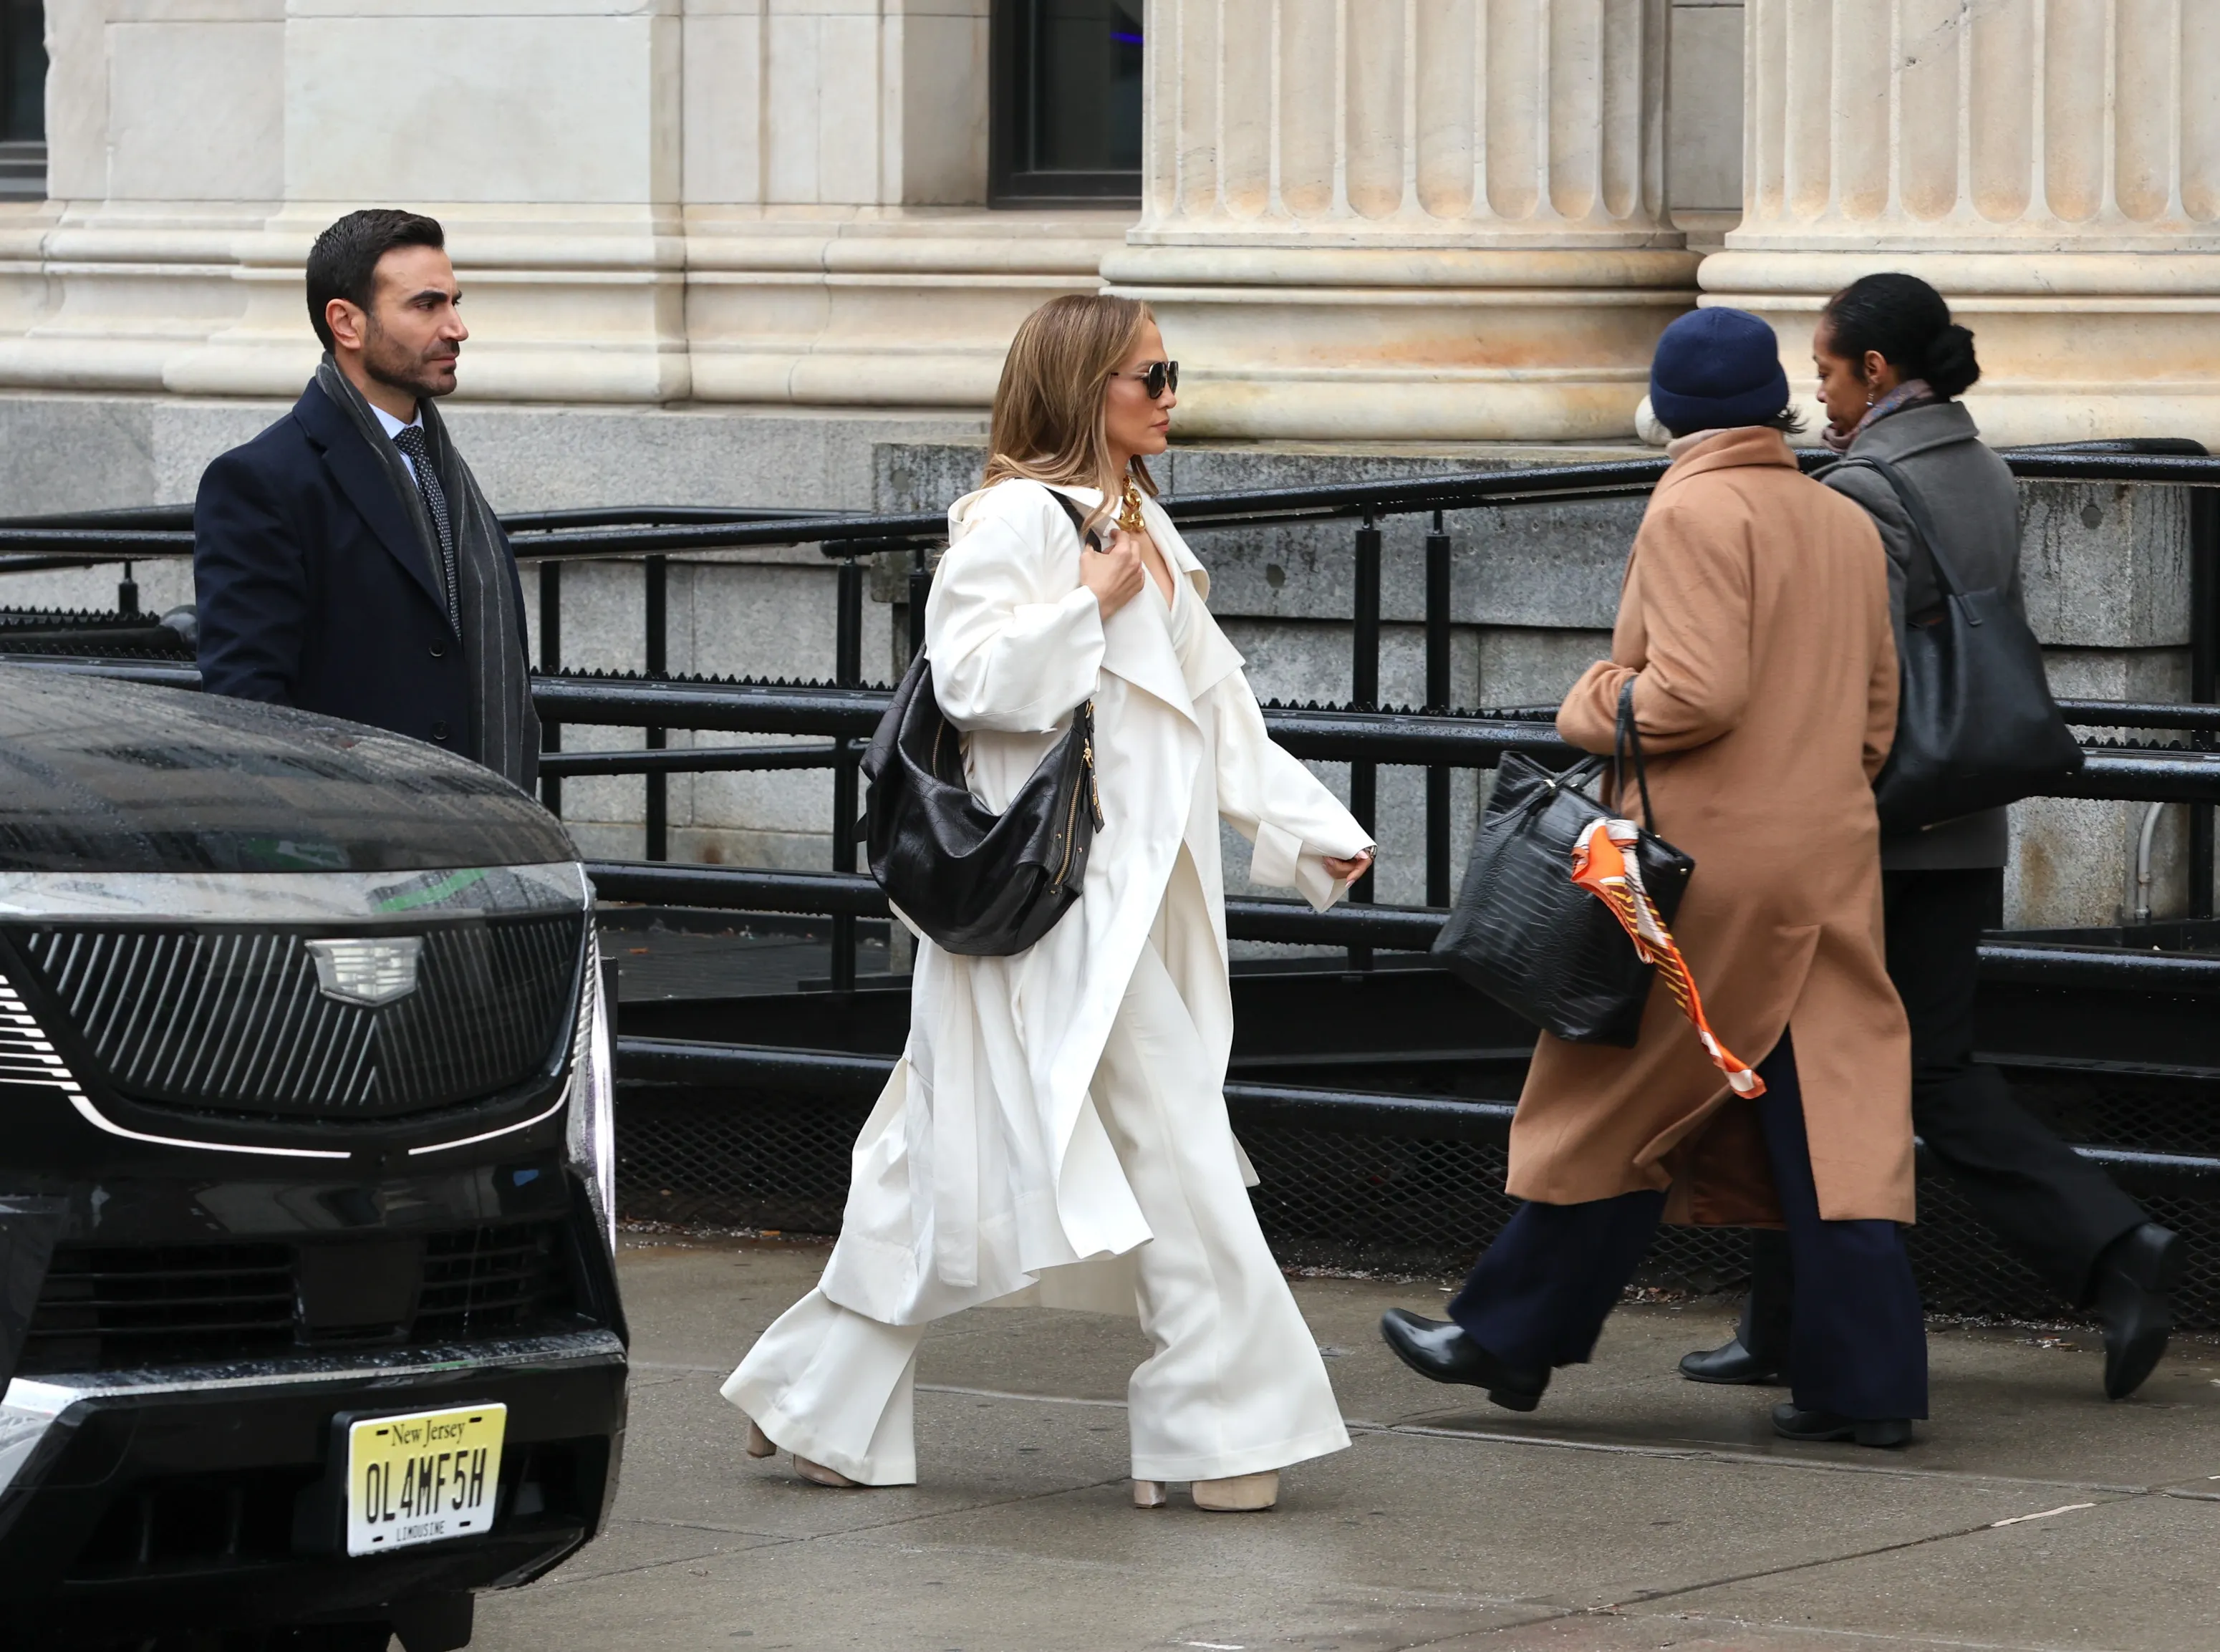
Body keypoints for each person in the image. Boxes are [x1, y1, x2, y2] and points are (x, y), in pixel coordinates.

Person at [723, 294, 1376, 1511]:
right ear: (1085, 388)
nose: (1171, 395)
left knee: (941, 1154)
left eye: (1171, 373)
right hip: (1055, 899)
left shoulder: (1143, 523)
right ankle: (1222, 1430)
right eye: (1149, 375)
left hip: (1113, 901)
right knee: (1174, 1145)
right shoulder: (1021, 517)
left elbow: (1214, 709)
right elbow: (970, 679)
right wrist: (1089, 604)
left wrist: (1307, 828)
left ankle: (816, 1395)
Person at [1381, 306, 1929, 1447]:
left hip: (1705, 865)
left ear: (1670, 409)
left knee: (1613, 1089)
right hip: (1829, 852)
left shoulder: (1692, 505)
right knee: (1837, 1120)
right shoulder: (1841, 514)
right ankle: (1867, 1385)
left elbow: (1691, 693)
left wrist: (1589, 696)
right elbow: (1879, 718)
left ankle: (1509, 1335)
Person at [1679, 274, 2181, 1401]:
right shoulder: (1982, 465)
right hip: (1963, 816)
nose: (1816, 392)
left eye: (1825, 369)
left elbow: (1843, 666)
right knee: (1888, 1065)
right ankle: (1786, 1320)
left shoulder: (1865, 487)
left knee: (1815, 1064)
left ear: (1875, 369)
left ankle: (2107, 1245)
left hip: (1876, 820)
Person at [193, 209, 539, 788]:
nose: (457, 328)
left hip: (480, 819)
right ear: (347, 324)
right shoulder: (261, 481)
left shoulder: (443, 468)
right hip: (352, 824)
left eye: (454, 303)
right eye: (426, 305)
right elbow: (249, 710)